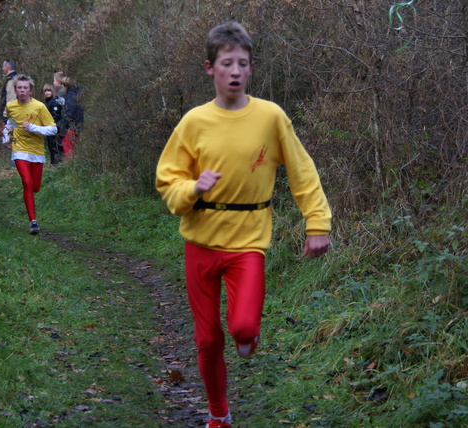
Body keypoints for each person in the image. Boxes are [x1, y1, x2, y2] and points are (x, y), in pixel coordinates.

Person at [155, 21, 331, 428]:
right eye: (227, 63)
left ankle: (248, 338)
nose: (235, 71)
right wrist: (191, 189)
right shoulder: (193, 122)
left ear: (251, 70)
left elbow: (303, 173)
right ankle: (219, 415)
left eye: (243, 64)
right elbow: (167, 180)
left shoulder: (270, 117)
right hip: (200, 242)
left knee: (242, 326)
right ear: (209, 68)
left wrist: (317, 224)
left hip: (248, 241)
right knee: (206, 339)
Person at [3, 75, 57, 235]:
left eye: (25, 88)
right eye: (19, 88)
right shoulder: (11, 106)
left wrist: (34, 127)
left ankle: (32, 209)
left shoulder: (39, 107)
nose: (22, 90)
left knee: (35, 187)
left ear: (30, 90)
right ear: (15, 90)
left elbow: (53, 129)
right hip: (19, 149)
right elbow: (9, 124)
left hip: (37, 151)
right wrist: (6, 139)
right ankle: (33, 222)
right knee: (26, 182)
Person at [58, 75, 84, 161]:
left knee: (68, 148)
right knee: (73, 148)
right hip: (77, 125)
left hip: (71, 127)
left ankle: (69, 168)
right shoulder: (77, 95)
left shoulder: (70, 96)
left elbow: (70, 113)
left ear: (65, 85)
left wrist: (61, 124)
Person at [42, 83, 64, 164]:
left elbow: (55, 116)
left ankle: (56, 163)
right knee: (52, 146)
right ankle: (54, 163)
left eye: (49, 91)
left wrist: (53, 127)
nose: (47, 93)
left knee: (55, 146)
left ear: (52, 91)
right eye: (45, 91)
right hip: (49, 127)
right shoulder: (48, 102)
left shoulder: (54, 102)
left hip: (55, 128)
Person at [0, 59, 18, 123]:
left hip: (10, 117)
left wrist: (6, 116)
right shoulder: (16, 78)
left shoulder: (11, 81)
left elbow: (11, 99)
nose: (2, 68)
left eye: (3, 66)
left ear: (6, 68)